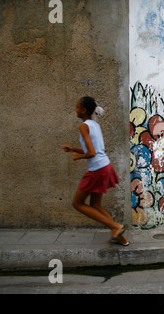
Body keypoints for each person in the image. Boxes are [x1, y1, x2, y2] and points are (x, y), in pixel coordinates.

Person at [62, 96, 129, 246]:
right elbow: (94, 150)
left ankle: (115, 226)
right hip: (105, 166)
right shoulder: (94, 125)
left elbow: (91, 153)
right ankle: (120, 237)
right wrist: (73, 149)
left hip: (97, 169)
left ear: (84, 110)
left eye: (77, 107)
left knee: (78, 203)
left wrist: (78, 156)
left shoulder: (84, 126)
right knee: (95, 205)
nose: (76, 110)